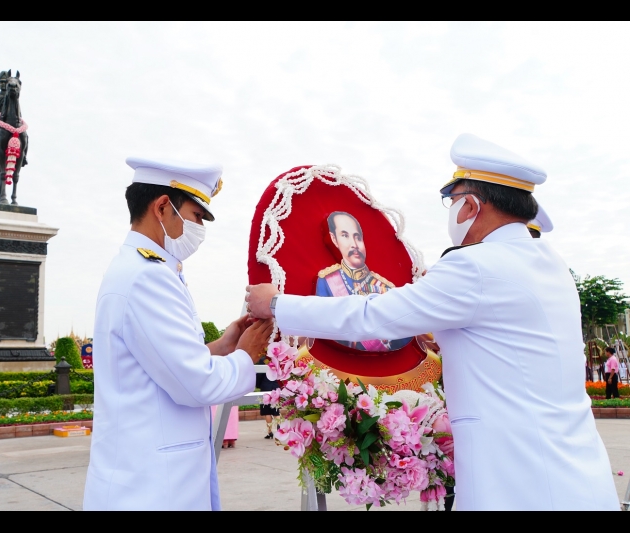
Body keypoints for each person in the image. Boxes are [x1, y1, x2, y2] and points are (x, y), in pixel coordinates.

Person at [246, 133, 618, 510]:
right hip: (578, 478)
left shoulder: (474, 265)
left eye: (451, 200)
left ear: (470, 205)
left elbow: (374, 316)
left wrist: (276, 304)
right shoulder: (550, 264)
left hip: (519, 484)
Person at [83, 157, 273, 511]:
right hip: (151, 489)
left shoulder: (142, 269)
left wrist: (222, 346)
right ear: (161, 208)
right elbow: (197, 384)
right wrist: (247, 354)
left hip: (147, 480)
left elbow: (163, 362)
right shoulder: (148, 277)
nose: (199, 228)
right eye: (196, 216)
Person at [316, 211, 411, 352]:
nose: (354, 244)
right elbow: (323, 324)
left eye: (358, 237)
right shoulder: (328, 282)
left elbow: (403, 336)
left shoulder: (385, 288)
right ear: (334, 239)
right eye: (345, 236)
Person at [256, 355, 280, 439]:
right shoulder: (277, 359)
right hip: (275, 387)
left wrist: (258, 385)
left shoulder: (263, 360)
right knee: (276, 410)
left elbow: (259, 375)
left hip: (265, 387)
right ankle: (279, 427)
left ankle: (270, 432)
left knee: (267, 411)